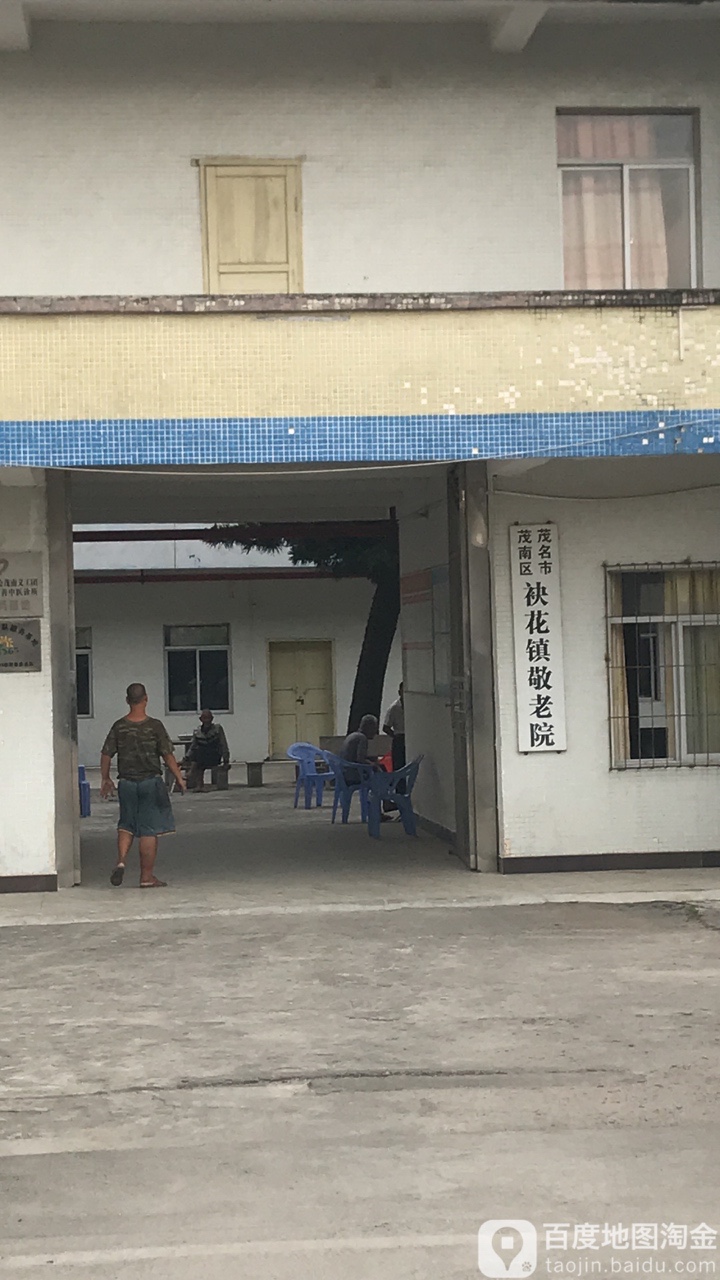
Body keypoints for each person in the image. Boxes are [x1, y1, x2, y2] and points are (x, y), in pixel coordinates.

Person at [100, 682, 186, 889]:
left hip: (127, 783)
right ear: (146, 699)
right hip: (149, 783)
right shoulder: (154, 726)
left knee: (126, 824)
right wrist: (179, 777)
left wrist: (105, 778)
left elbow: (106, 754)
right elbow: (167, 755)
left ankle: (121, 861)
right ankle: (146, 877)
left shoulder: (119, 726)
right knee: (148, 830)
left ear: (127, 701)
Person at [184, 710, 230, 791]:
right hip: (201, 757)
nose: (207, 720)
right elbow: (193, 746)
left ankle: (191, 774)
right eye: (204, 718)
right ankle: (198, 784)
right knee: (198, 753)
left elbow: (223, 744)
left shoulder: (217, 729)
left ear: (212, 719)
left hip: (214, 755)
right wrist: (186, 757)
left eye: (208, 718)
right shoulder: (198, 731)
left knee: (199, 754)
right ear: (200, 719)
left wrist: (226, 759)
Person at [383, 681, 406, 773]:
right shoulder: (394, 708)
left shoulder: (413, 706)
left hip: (411, 737)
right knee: (399, 766)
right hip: (399, 738)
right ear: (399, 692)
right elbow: (386, 727)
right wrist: (396, 737)